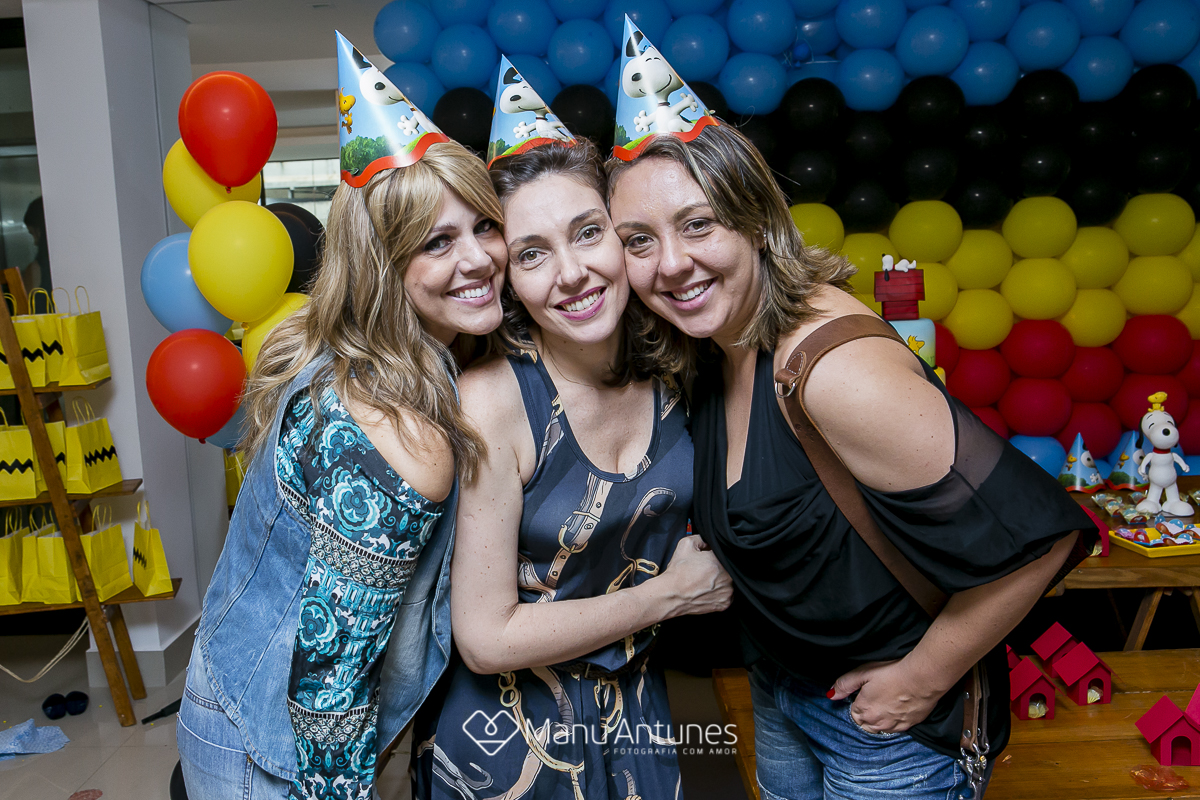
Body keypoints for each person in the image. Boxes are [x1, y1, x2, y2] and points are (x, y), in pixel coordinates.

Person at [606, 121, 1096, 799]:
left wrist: (919, 680)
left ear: (756, 223)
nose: (669, 264)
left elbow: (1043, 537)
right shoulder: (718, 342)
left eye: (698, 225)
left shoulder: (836, 373)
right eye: (638, 240)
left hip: (886, 730)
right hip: (783, 688)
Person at [177, 36, 507, 800]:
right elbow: (328, 695)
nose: (479, 258)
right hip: (269, 747)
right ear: (385, 268)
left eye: (483, 226)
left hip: (223, 682)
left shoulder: (350, 349)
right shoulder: (400, 433)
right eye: (437, 243)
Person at [412, 81, 732, 799]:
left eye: (589, 233)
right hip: (508, 749)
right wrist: (668, 597)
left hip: (641, 725)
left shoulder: (682, 366)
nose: (573, 273)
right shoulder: (496, 400)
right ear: (508, 281)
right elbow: (486, 638)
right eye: (531, 254)